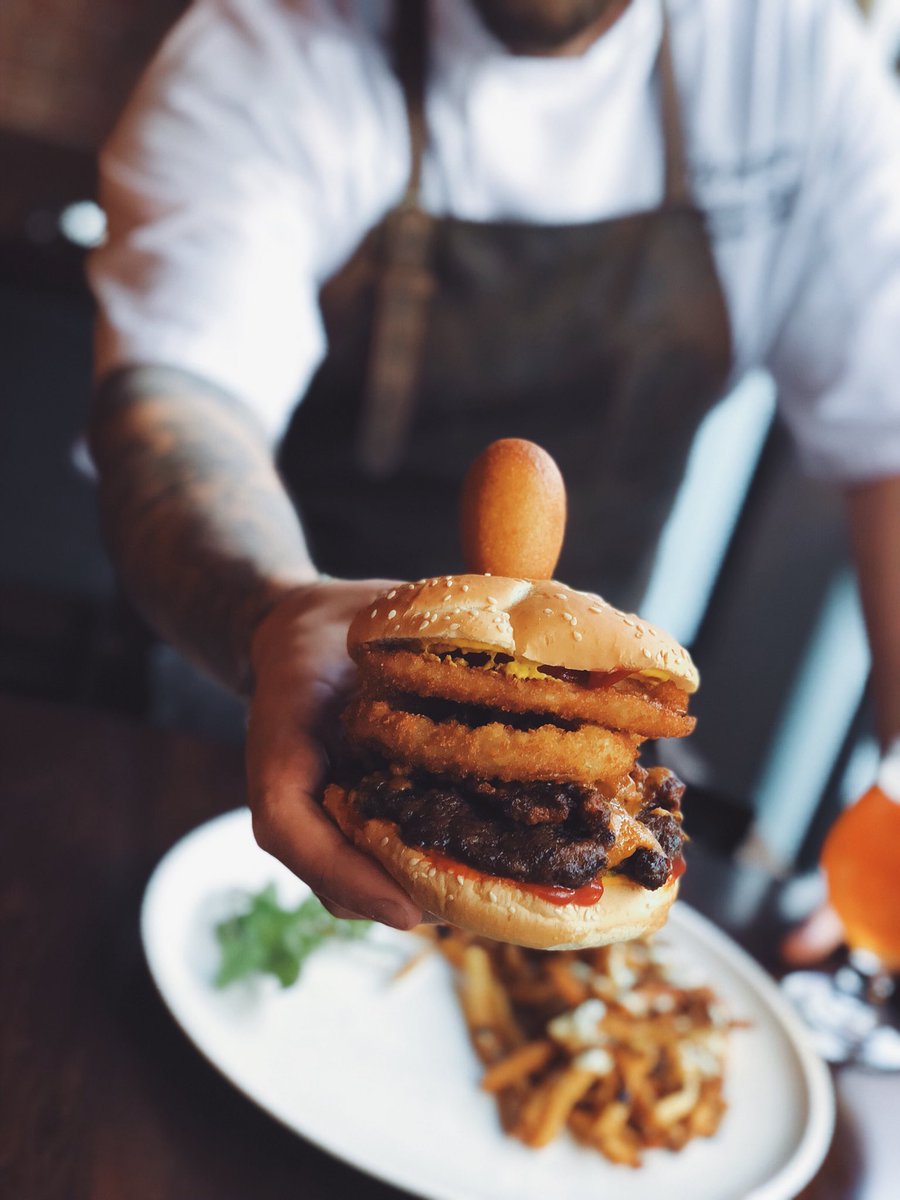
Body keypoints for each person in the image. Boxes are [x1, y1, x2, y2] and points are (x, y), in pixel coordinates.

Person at [88, 0, 900, 934]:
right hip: (241, 679)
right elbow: (176, 409)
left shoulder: (791, 63)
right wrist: (274, 612)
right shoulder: (265, 42)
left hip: (595, 745)